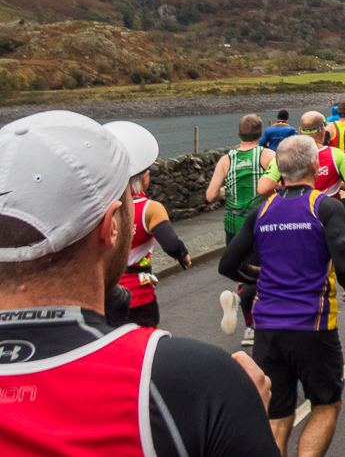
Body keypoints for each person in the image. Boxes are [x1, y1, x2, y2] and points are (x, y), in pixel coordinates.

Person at [0, 111, 277, 457]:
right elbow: (172, 241)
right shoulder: (195, 380)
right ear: (110, 228)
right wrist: (245, 411)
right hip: (142, 294)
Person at [220, 135, 345, 457]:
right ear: (315, 166)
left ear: (279, 172)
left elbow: (228, 264)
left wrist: (259, 276)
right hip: (313, 326)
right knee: (325, 404)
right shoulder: (326, 206)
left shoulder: (261, 212)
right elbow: (343, 254)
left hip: (267, 328)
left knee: (278, 414)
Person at [206, 114, 275, 347]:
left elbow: (210, 195)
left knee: (241, 270)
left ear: (239, 134)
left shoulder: (227, 159)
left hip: (233, 224)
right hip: (259, 223)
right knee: (259, 274)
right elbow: (280, 182)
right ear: (260, 133)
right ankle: (249, 322)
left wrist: (227, 190)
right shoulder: (267, 155)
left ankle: (242, 310)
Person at [117, 121, 192, 327]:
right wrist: (183, 256)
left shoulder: (102, 207)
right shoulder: (149, 208)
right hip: (138, 296)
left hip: (105, 296)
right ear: (143, 177)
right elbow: (171, 244)